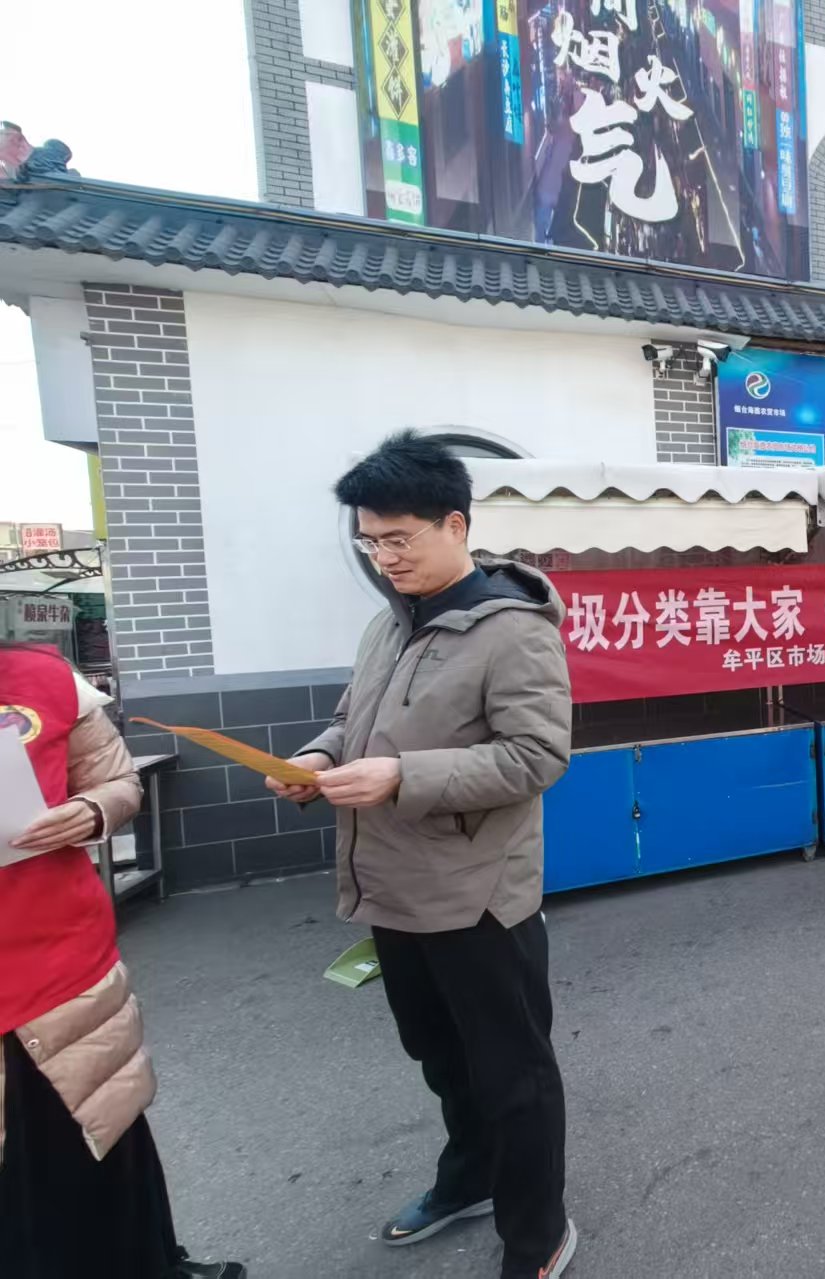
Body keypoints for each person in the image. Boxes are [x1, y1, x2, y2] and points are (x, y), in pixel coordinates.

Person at [266, 432, 577, 1279]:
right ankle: (470, 1178)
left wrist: (403, 776)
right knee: (441, 1057)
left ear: (455, 524)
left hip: (479, 898)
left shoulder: (514, 631)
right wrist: (319, 759)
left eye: (399, 538)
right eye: (371, 541)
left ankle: (538, 1231)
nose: (385, 556)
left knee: (514, 1073)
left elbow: (536, 756)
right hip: (394, 889)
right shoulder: (387, 624)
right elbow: (353, 719)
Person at [1, 641, 244, 1279]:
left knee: (100, 1137)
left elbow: (118, 782)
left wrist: (89, 811)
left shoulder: (44, 678)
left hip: (61, 965)